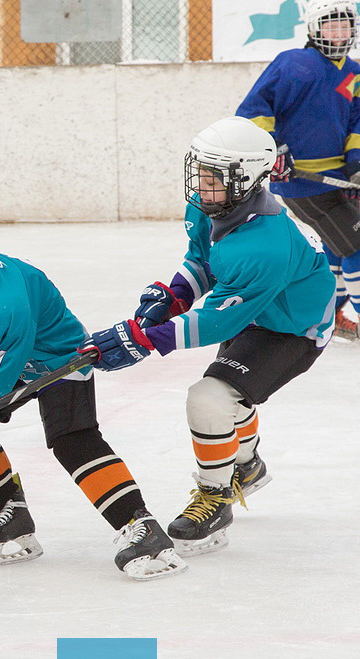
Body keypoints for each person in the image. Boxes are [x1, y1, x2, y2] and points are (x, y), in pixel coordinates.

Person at [0, 191, 187, 581]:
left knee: (73, 440)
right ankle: (13, 518)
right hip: (13, 359)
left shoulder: (6, 300)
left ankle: (143, 529)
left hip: (59, 360)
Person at [84, 117, 336, 556]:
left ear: (249, 180)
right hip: (257, 310)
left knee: (211, 398)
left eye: (214, 175)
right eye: (199, 169)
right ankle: (248, 467)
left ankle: (216, 498)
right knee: (231, 396)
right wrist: (173, 295)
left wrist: (145, 340)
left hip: (294, 329)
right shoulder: (211, 203)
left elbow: (218, 321)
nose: (201, 183)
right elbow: (203, 260)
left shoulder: (265, 244)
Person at [236, 0, 360, 350]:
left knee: (337, 247)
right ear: (315, 29)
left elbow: (358, 129)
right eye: (332, 26)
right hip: (300, 181)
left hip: (336, 178)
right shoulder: (293, 64)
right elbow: (254, 110)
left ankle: (327, 315)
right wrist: (274, 147)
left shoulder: (356, 75)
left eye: (345, 26)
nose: (340, 33)